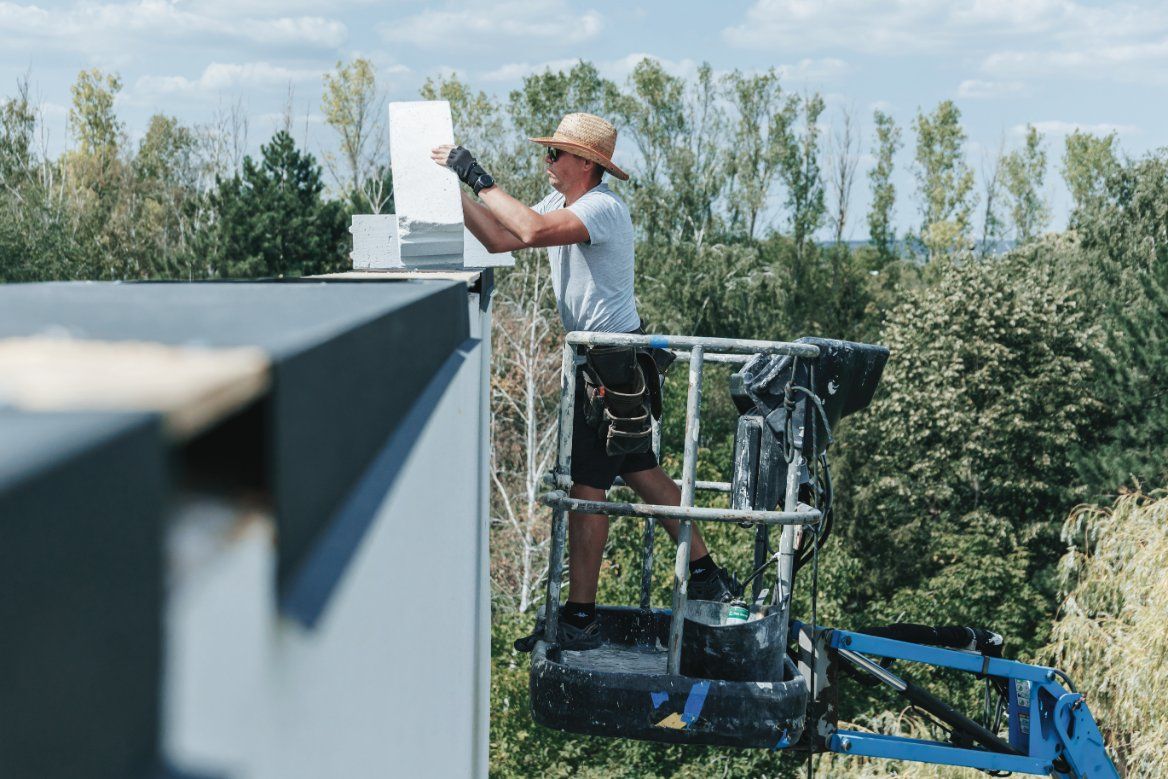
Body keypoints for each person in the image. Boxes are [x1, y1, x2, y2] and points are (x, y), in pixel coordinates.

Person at [432, 113, 736, 650]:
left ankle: (580, 617)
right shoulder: (563, 205)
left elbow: (527, 230)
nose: (546, 162)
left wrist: (474, 175)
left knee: (588, 491)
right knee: (641, 472)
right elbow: (503, 239)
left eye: (555, 155)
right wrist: (452, 195)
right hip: (609, 361)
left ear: (586, 164)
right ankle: (708, 573)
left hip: (610, 365)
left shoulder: (602, 208)